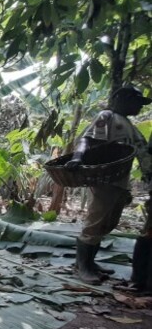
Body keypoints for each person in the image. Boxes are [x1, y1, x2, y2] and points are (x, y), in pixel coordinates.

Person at [65, 85, 152, 284]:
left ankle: (90, 262)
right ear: (122, 99)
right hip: (104, 179)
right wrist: (78, 158)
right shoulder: (108, 116)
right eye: (136, 102)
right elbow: (86, 139)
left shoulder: (131, 126)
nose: (139, 107)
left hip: (120, 181)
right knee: (95, 223)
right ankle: (82, 266)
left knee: (107, 223)